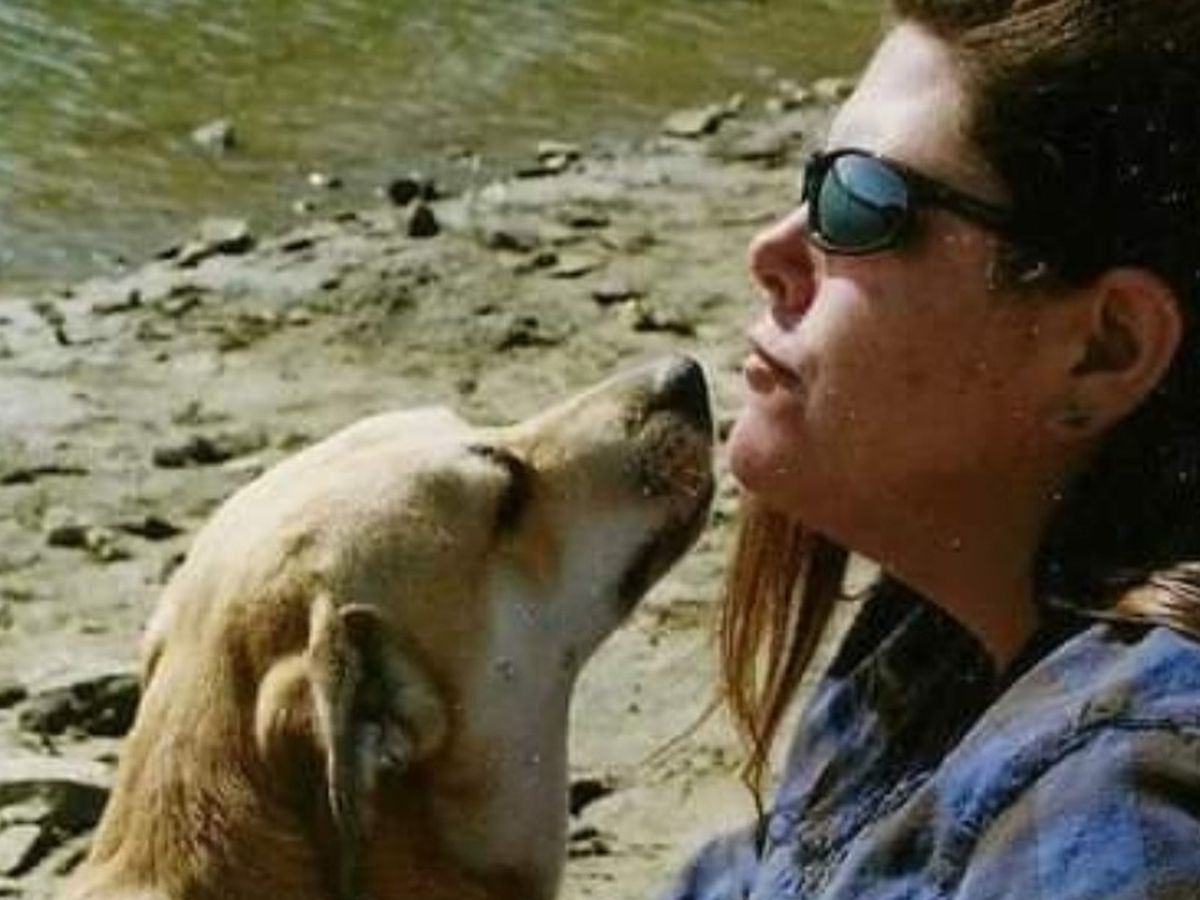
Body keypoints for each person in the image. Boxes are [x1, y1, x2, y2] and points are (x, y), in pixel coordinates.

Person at [665, 1, 1200, 898]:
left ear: (1104, 349)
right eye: (812, 180)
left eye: (858, 203)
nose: (770, 250)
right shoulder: (942, 631)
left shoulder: (1120, 808)